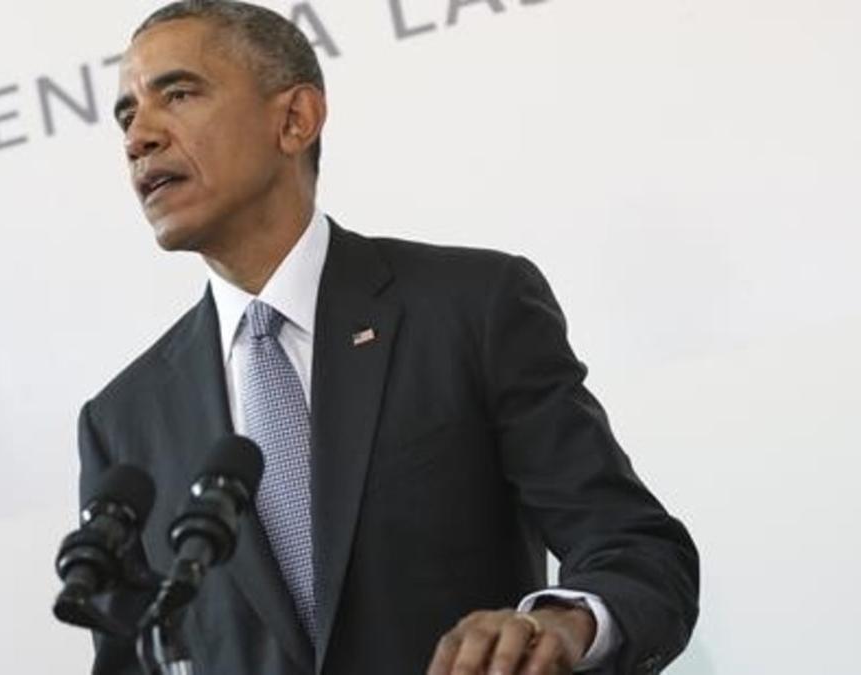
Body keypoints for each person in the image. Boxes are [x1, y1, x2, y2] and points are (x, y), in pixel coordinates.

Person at [75, 2, 698, 673]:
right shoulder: (123, 423)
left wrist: (563, 622)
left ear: (294, 119)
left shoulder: (471, 309)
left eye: (179, 93)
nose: (139, 136)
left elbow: (635, 549)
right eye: (125, 115)